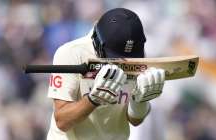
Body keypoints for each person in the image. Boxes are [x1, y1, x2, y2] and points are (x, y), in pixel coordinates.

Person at [47, 8, 165, 140]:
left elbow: (134, 121)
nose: (123, 62)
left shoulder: (136, 57)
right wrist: (93, 99)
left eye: (128, 58)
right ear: (97, 41)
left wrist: (140, 102)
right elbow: (62, 121)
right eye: (115, 57)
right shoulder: (70, 53)